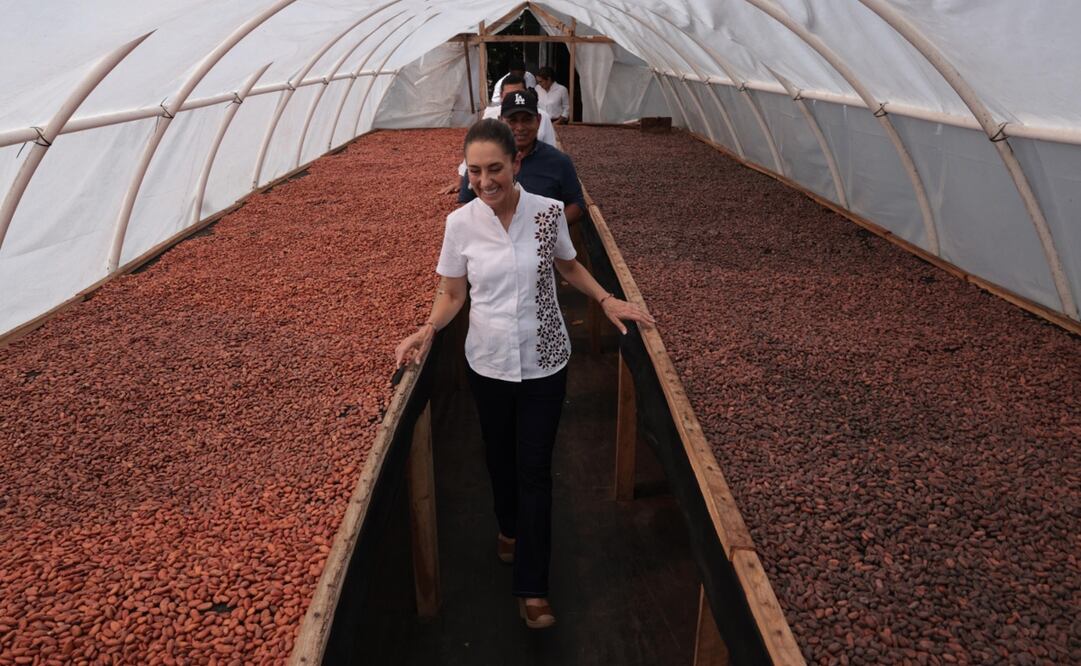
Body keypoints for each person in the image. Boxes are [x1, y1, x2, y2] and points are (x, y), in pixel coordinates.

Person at [395, 119, 654, 629]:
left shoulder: (546, 213)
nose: (486, 180)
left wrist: (605, 299)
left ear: (516, 163)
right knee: (499, 457)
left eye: (495, 168)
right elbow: (452, 294)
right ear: (465, 173)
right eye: (475, 171)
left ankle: (533, 588)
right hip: (487, 360)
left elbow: (568, 265)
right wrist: (426, 330)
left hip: (545, 358)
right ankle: (508, 526)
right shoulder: (461, 224)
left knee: (535, 469)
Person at [458, 90, 585, 225]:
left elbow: (576, 204)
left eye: (527, 120)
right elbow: (466, 202)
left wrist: (547, 228)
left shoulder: (559, 161)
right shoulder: (484, 159)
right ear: (501, 120)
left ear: (538, 120)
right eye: (513, 120)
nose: (520, 127)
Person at [439, 76, 557, 197]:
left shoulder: (542, 116)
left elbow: (550, 150)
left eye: (519, 93)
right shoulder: (490, 115)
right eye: (512, 120)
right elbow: (477, 149)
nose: (520, 127)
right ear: (501, 96)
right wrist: (462, 179)